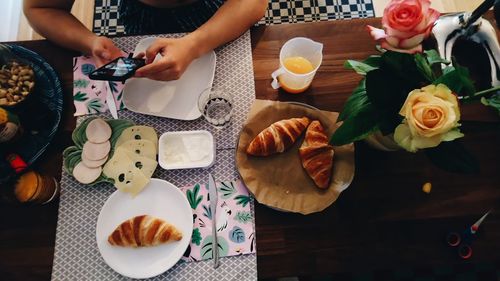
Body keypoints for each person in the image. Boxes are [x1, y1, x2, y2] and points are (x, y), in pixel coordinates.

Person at [23, 0, 268, 81]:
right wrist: (89, 41)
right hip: (142, 20)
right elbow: (41, 8)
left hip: (221, 16)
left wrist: (194, 45)